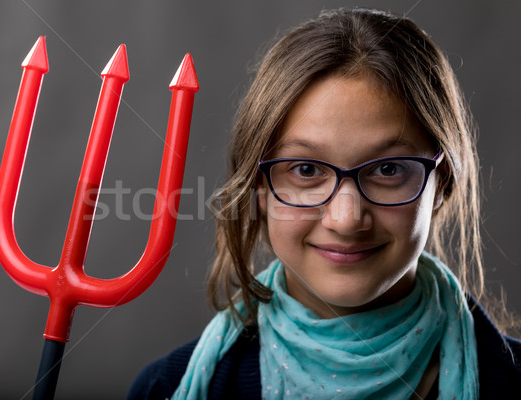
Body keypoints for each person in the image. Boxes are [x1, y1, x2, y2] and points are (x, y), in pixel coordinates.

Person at [128, 8, 521, 399]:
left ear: (442, 180)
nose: (346, 219)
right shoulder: (165, 389)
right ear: (258, 188)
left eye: (387, 169)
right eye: (305, 169)